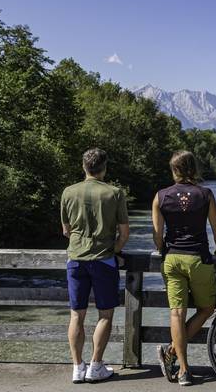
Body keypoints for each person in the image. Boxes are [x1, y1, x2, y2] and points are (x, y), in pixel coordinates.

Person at [153, 150, 216, 387]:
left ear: (174, 170)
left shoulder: (161, 196)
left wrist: (163, 249)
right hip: (198, 259)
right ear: (194, 169)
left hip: (172, 259)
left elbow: (157, 236)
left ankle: (183, 369)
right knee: (207, 308)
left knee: (176, 313)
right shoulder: (205, 194)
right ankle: (172, 353)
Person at [61, 148, 129, 383]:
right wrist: (115, 250)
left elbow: (66, 230)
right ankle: (96, 366)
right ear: (104, 167)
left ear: (84, 166)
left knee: (76, 316)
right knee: (105, 315)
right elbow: (124, 233)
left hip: (76, 259)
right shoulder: (114, 193)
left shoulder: (68, 192)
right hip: (103, 260)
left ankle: (77, 368)